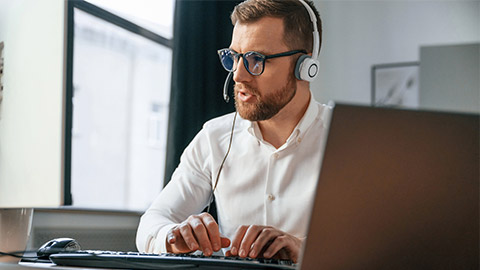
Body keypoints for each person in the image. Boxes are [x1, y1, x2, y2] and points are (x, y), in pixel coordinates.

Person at [136, 0, 331, 263]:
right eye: (234, 57)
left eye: (255, 59)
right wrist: (174, 236)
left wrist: (308, 251)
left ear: (305, 65)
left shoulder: (349, 139)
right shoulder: (214, 138)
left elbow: (385, 243)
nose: (238, 75)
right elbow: (152, 222)